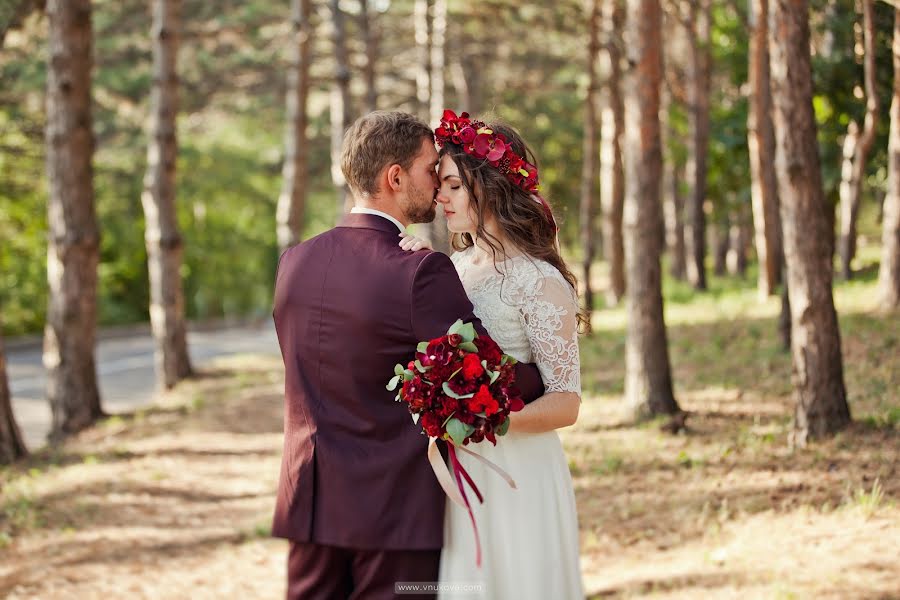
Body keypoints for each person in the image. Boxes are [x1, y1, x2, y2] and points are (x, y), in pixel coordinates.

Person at [270, 110, 546, 600]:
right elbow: (492, 382)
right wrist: (547, 370)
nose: (437, 184)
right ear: (394, 178)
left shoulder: (295, 262)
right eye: (428, 169)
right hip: (393, 511)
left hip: (309, 500)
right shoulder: (419, 271)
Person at [400, 110, 584, 599]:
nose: (440, 197)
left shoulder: (539, 282)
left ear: (492, 188)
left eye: (455, 186)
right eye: (440, 185)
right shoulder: (452, 269)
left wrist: (486, 417)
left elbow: (567, 402)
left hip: (520, 469)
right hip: (461, 469)